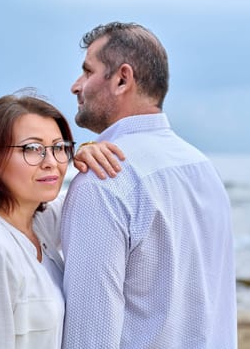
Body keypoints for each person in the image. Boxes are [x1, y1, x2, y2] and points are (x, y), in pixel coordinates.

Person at [61, 22, 237, 348]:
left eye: (87, 72)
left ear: (122, 79)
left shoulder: (104, 179)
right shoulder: (202, 168)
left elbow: (89, 335)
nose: (76, 86)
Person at [0, 92, 124, 348]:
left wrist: (88, 151)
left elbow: (83, 203)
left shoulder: (36, 222)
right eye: (32, 149)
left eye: (59, 148)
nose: (51, 162)